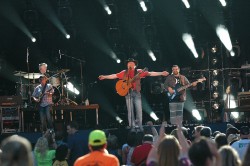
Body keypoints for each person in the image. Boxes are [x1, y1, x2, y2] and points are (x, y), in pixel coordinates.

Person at [99, 58, 169, 128]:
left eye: (131, 64)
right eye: (128, 64)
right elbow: (114, 75)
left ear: (135, 65)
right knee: (130, 110)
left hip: (136, 92)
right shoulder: (124, 72)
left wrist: (161, 73)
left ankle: (139, 125)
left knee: (139, 110)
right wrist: (105, 77)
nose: (130, 65)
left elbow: (150, 73)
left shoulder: (139, 71)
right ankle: (131, 125)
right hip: (128, 93)